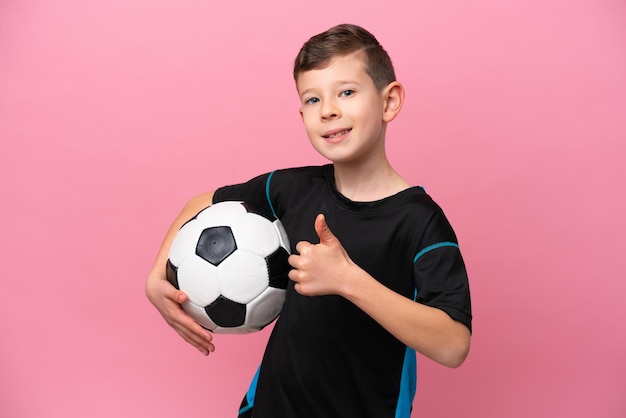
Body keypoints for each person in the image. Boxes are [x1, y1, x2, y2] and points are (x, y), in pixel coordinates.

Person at [146, 23, 472, 418]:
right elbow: (200, 203)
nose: (329, 109)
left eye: (347, 92)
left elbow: (453, 345)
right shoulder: (291, 189)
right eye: (313, 99)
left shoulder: (420, 221)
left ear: (389, 101)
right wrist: (156, 279)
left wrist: (349, 281)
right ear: (302, 115)